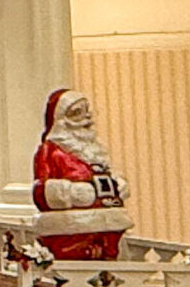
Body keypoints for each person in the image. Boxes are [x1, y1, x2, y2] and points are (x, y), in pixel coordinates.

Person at [30, 90, 132, 259]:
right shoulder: (50, 151)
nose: (86, 118)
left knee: (111, 263)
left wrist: (118, 183)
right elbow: (41, 191)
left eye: (87, 111)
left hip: (110, 222)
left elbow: (104, 172)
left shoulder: (95, 149)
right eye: (77, 113)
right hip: (73, 230)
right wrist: (72, 193)